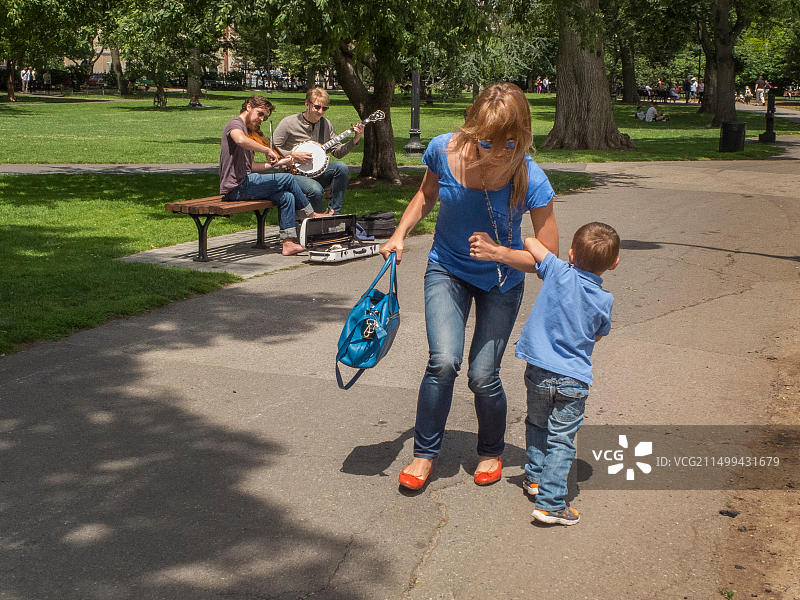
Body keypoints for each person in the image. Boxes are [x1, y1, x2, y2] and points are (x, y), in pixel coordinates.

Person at [380, 81, 559, 491]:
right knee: (443, 362)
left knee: (482, 374)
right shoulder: (442, 151)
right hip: (447, 268)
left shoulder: (530, 177)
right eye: (487, 143)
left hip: (501, 281)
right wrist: (399, 234)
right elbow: (426, 195)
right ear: (472, 129)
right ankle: (424, 454)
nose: (497, 153)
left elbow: (547, 259)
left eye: (509, 144)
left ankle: (491, 451)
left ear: (522, 137)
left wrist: (500, 253)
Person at [515, 222, 620, 525]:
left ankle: (535, 478)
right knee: (561, 439)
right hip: (573, 379)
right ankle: (551, 503)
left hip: (538, 371)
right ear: (614, 263)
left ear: (572, 255)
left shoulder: (558, 271)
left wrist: (553, 256)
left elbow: (531, 242)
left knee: (537, 424)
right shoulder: (605, 300)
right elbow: (598, 335)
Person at [219, 95, 331, 256]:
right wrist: (266, 149)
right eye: (260, 114)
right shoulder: (235, 124)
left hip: (246, 183)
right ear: (249, 106)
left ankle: (288, 243)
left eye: (264, 117)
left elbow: (251, 166)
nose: (261, 119)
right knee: (288, 178)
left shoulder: (249, 131)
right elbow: (240, 140)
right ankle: (310, 213)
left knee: (286, 197)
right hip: (236, 187)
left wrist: (280, 162)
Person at [272, 87, 365, 215]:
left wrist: (355, 139)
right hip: (292, 174)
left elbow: (337, 153)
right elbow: (272, 147)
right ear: (307, 104)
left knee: (341, 167)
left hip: (317, 172)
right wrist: (292, 155)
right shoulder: (289, 123)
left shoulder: (326, 124)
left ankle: (334, 213)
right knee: (315, 189)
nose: (320, 111)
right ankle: (315, 222)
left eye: (324, 108)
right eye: (317, 107)